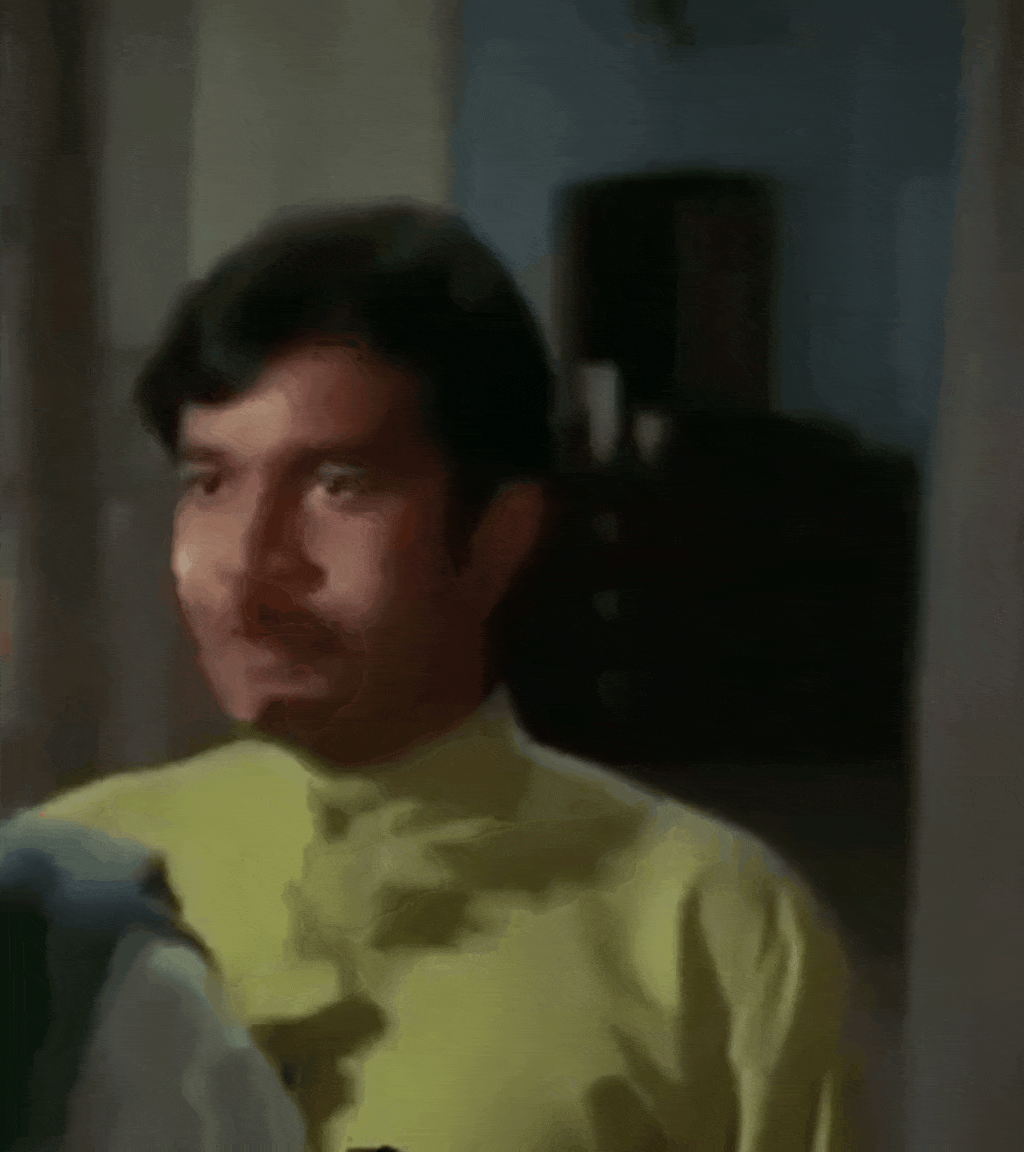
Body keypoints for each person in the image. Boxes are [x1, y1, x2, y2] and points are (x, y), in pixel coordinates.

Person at [35, 202, 863, 1151]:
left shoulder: (709, 926)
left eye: (338, 485)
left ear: (500, 533)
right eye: (209, 483)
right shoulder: (60, 880)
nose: (250, 566)